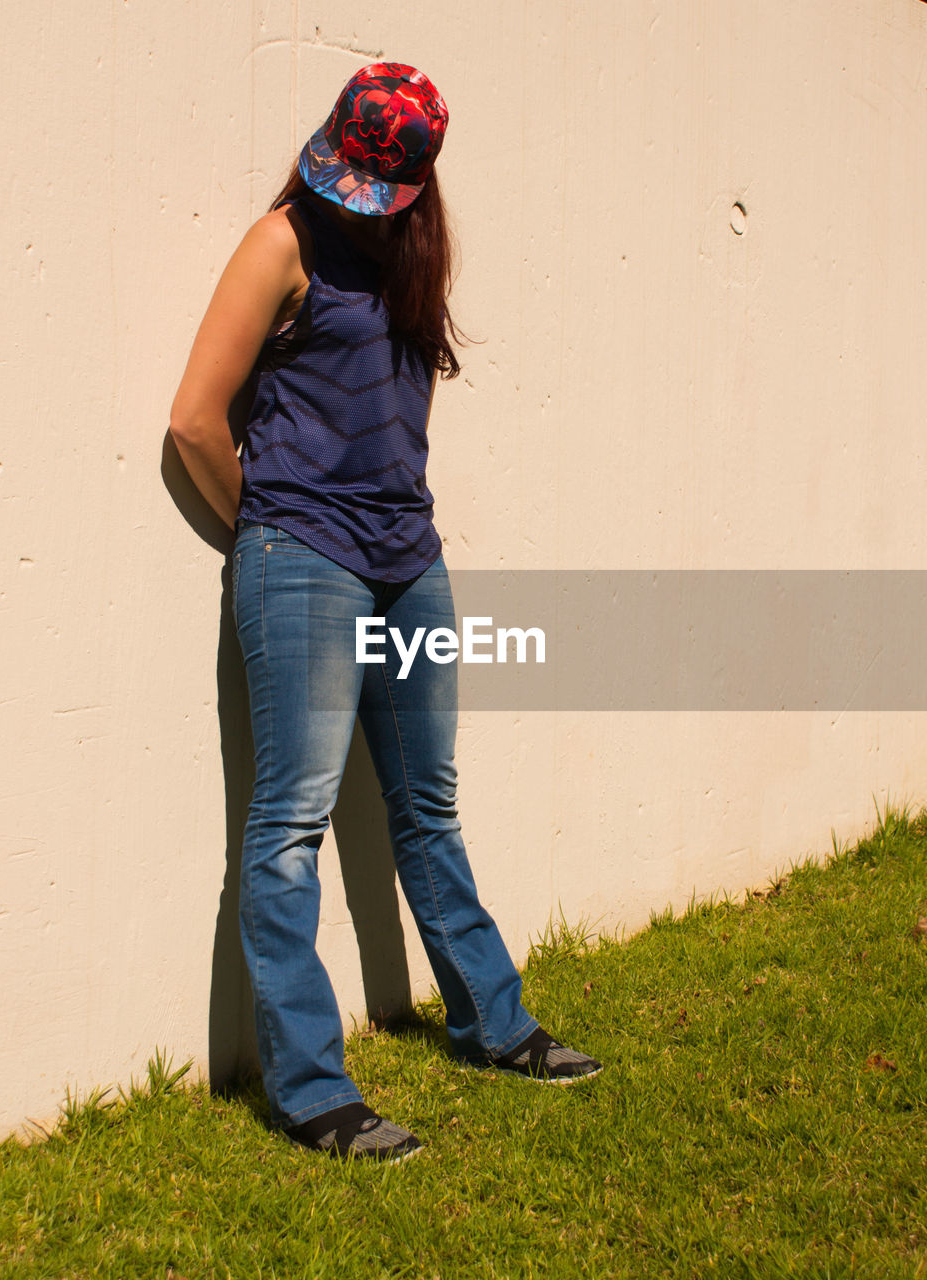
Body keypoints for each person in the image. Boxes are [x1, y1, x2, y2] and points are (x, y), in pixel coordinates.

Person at [170, 62, 601, 1163]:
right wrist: (267, 530)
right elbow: (193, 420)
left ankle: (495, 1022)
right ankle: (312, 1089)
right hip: (303, 557)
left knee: (430, 806)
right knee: (288, 828)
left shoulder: (412, 250)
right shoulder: (283, 242)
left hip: (409, 557)